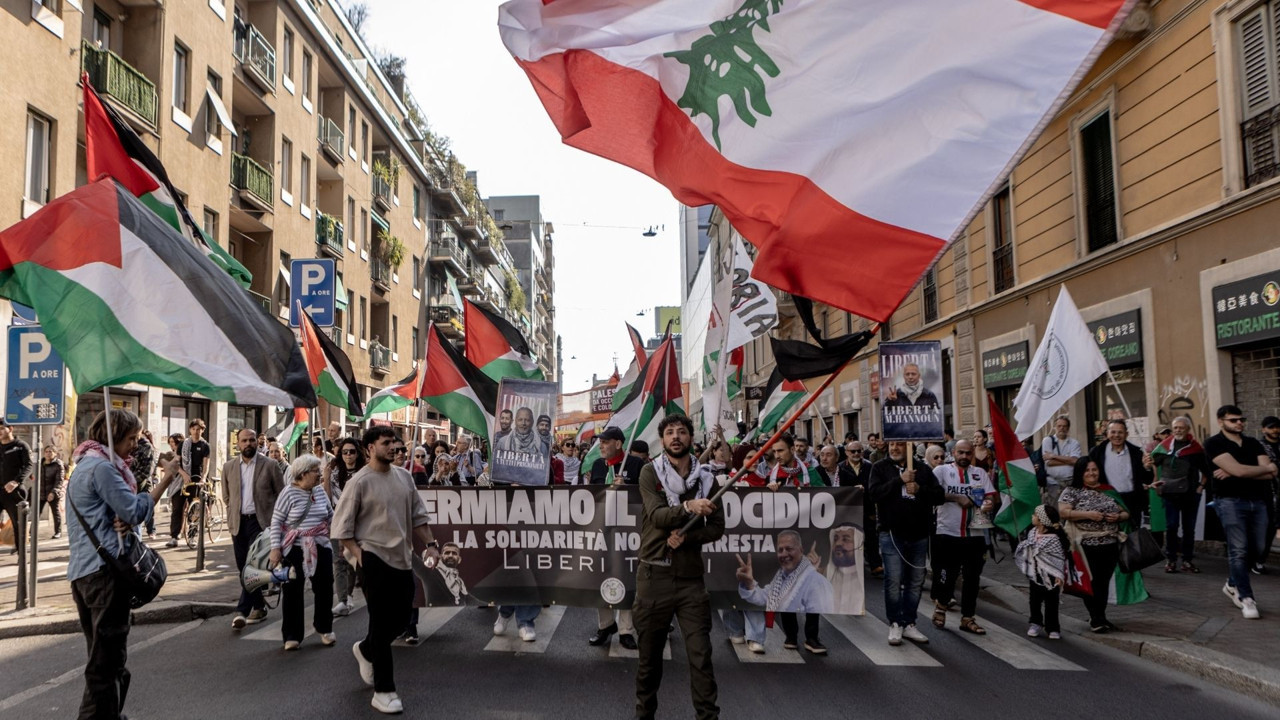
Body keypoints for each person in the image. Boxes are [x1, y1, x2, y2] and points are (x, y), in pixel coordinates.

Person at [66, 409, 178, 719]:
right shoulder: (103, 469)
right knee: (106, 664)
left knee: (104, 660)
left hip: (83, 574)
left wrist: (120, 518)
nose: (135, 445)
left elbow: (112, 515)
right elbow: (134, 511)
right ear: (114, 437)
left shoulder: (84, 465)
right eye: (131, 439)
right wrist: (167, 478)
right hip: (104, 576)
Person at [331, 426, 441, 715]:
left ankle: (366, 650)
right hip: (373, 558)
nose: (393, 447)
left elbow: (419, 517)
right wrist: (360, 556)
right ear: (370, 448)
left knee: (402, 618)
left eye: (394, 442)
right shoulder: (359, 482)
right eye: (386, 443)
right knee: (380, 621)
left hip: (402, 558)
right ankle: (384, 690)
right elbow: (342, 529)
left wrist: (431, 544)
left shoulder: (404, 477)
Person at [634, 414, 725, 720]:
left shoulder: (707, 480)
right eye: (670, 432)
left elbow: (717, 528)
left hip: (690, 581)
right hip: (653, 577)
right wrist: (687, 507)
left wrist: (687, 537)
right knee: (649, 660)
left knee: (701, 657)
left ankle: (708, 716)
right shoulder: (650, 473)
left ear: (690, 438)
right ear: (662, 440)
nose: (676, 436)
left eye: (681, 432)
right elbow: (657, 516)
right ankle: (644, 714)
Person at [1204, 405, 1276, 620]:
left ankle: (1232, 583)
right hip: (1229, 501)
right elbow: (1248, 470)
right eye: (1233, 420)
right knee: (1239, 549)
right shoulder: (1213, 443)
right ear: (1221, 422)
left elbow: (1271, 473)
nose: (1239, 423)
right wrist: (1252, 470)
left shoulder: (1253, 443)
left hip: (1258, 501)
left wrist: (1238, 471)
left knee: (1259, 547)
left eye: (1241, 419)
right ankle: (1246, 598)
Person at [869, 440, 944, 646]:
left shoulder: (922, 469)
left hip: (918, 534)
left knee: (915, 582)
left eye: (899, 445)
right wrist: (899, 481)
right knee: (893, 581)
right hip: (891, 534)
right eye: (891, 445)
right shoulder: (880, 468)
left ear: (908, 447)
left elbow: (939, 496)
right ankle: (895, 622)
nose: (894, 448)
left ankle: (909, 622)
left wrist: (919, 489)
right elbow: (874, 493)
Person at [268, 454, 336, 650]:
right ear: (304, 473)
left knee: (324, 588)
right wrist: (275, 548)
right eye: (316, 471)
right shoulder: (288, 493)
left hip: (321, 545)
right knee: (292, 591)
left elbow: (330, 516)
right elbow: (277, 522)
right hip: (294, 548)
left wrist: (334, 535)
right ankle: (292, 635)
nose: (319, 475)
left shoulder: (320, 492)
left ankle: (324, 628)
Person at [929, 439, 995, 634]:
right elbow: (932, 494)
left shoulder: (979, 473)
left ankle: (968, 618)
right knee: (947, 575)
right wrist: (956, 497)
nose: (964, 456)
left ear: (972, 453)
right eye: (961, 453)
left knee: (972, 578)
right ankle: (941, 607)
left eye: (968, 453)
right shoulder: (941, 471)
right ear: (954, 453)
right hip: (947, 532)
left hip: (975, 533)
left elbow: (990, 495)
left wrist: (989, 503)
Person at [222, 428, 284, 629]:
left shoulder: (270, 465)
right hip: (238, 522)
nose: (248, 444)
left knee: (253, 566)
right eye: (244, 441)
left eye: (251, 440)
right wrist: (233, 511)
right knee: (243, 567)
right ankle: (259, 605)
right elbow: (226, 496)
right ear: (237, 444)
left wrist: (277, 523)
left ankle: (241, 610)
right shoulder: (229, 467)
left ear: (257, 442)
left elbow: (281, 496)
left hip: (261, 523)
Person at [1058, 457, 1129, 632]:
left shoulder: (1108, 490)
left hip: (1109, 543)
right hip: (1085, 545)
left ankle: (1100, 616)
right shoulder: (1072, 491)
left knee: (1103, 581)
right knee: (1090, 581)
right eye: (1087, 470)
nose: (1091, 473)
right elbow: (1064, 512)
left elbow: (1126, 512)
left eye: (1094, 470)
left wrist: (1118, 517)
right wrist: (1088, 514)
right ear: (1080, 473)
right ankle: (1096, 618)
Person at [736, 530, 834, 653]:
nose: (784, 554)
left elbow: (825, 602)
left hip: (813, 576)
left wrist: (812, 575)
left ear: (801, 550)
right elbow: (763, 598)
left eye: (789, 549)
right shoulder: (780, 578)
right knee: (786, 599)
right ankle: (791, 637)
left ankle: (812, 638)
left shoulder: (815, 578)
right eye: (780, 550)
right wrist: (749, 584)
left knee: (810, 599)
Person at [1143, 416, 1209, 573]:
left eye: (1181, 427)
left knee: (1189, 528)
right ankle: (1171, 560)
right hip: (1170, 494)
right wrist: (1147, 464)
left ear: (1188, 429)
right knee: (1171, 527)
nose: (1178, 430)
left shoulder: (1196, 448)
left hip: (1190, 495)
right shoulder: (1164, 447)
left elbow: (1206, 471)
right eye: (1175, 428)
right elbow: (1150, 465)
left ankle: (1187, 560)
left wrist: (1200, 487)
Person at [1016, 504, 1070, 640]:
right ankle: (1035, 623)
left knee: (1052, 602)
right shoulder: (1032, 532)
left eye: (1035, 515)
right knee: (1034, 600)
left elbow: (1058, 558)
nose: (1032, 517)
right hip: (1035, 574)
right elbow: (1030, 548)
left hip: (1051, 575)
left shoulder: (1054, 538)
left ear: (1042, 520)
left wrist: (1059, 575)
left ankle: (1052, 627)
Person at [326, 437, 365, 616]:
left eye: (352, 452)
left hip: (358, 522)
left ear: (358, 453)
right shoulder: (334, 474)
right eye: (345, 452)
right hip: (338, 521)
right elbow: (328, 498)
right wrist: (326, 477)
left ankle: (348, 595)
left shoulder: (364, 473)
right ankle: (342, 600)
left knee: (352, 561)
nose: (348, 455)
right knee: (339, 560)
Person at [1088, 420, 1152, 525]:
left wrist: (1147, 467)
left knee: (1133, 534)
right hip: (1107, 499)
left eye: (1120, 432)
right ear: (1107, 433)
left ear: (1126, 434)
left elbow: (1147, 479)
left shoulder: (1136, 453)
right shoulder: (1096, 452)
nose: (1116, 435)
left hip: (1132, 500)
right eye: (1113, 432)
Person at [167, 419, 210, 548]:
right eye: (193, 429)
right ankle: (174, 537)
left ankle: (192, 537)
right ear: (190, 430)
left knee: (194, 510)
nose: (196, 432)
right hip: (181, 480)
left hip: (196, 481)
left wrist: (203, 479)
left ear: (202, 430)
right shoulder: (183, 444)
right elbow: (176, 463)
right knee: (177, 508)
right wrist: (184, 474)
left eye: (198, 429)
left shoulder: (205, 446)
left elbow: (206, 465)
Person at [0, 419, 33, 555]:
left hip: (14, 492)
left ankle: (21, 554)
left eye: (2, 428)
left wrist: (16, 481)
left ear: (11, 429)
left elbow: (29, 465)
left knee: (18, 524)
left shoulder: (21, 446)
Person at [750, 434, 819, 488]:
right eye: (774, 451)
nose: (777, 456)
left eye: (780, 451)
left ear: (792, 450)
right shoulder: (771, 477)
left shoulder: (810, 472)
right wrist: (768, 490)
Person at [1040, 416, 1082, 506]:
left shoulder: (1074, 443)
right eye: (1059, 426)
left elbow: (1075, 461)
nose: (1061, 428)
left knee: (1070, 509)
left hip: (1070, 483)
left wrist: (1053, 456)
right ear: (1055, 427)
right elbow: (1049, 463)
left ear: (1068, 428)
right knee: (1055, 510)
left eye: (1064, 426)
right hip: (1053, 484)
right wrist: (1068, 459)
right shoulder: (1047, 441)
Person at [825, 522, 865, 615]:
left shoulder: (865, 583)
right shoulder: (824, 576)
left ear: (859, 544)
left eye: (846, 539)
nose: (838, 543)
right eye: (835, 539)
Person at [1258, 416, 1280, 574]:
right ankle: (1258, 560)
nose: (1275, 430)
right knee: (1268, 528)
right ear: (1264, 429)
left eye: (1277, 427)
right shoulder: (1259, 447)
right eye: (1271, 427)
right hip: (1267, 492)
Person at [128, 430, 156, 539]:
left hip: (141, 486)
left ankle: (150, 530)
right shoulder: (125, 444)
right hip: (127, 489)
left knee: (144, 511)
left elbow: (146, 471)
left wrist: (129, 481)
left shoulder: (146, 447)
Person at [423, 542, 470, 606]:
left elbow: (470, 600)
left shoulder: (459, 582)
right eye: (447, 553)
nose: (450, 555)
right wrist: (430, 545)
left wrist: (488, 604)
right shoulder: (430, 573)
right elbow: (412, 556)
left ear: (459, 560)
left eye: (454, 553)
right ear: (440, 556)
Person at [38, 445, 67, 540]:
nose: (48, 453)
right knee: (36, 512)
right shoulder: (40, 463)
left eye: (50, 451)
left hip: (52, 492)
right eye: (46, 451)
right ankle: (31, 532)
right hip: (41, 491)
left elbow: (59, 480)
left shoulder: (58, 464)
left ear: (55, 453)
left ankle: (58, 532)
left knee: (55, 512)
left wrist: (53, 492)